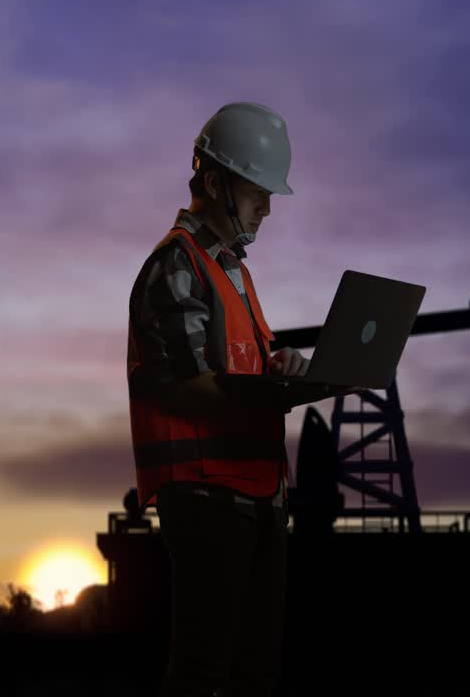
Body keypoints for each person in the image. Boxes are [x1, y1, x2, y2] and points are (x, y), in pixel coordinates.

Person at [126, 102, 306, 697]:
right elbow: (185, 385)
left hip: (255, 493)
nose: (267, 208)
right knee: (204, 672)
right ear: (214, 183)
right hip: (208, 496)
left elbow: (239, 367)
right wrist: (277, 394)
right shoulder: (177, 264)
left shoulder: (232, 272)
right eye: (258, 192)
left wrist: (283, 368)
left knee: (255, 674)